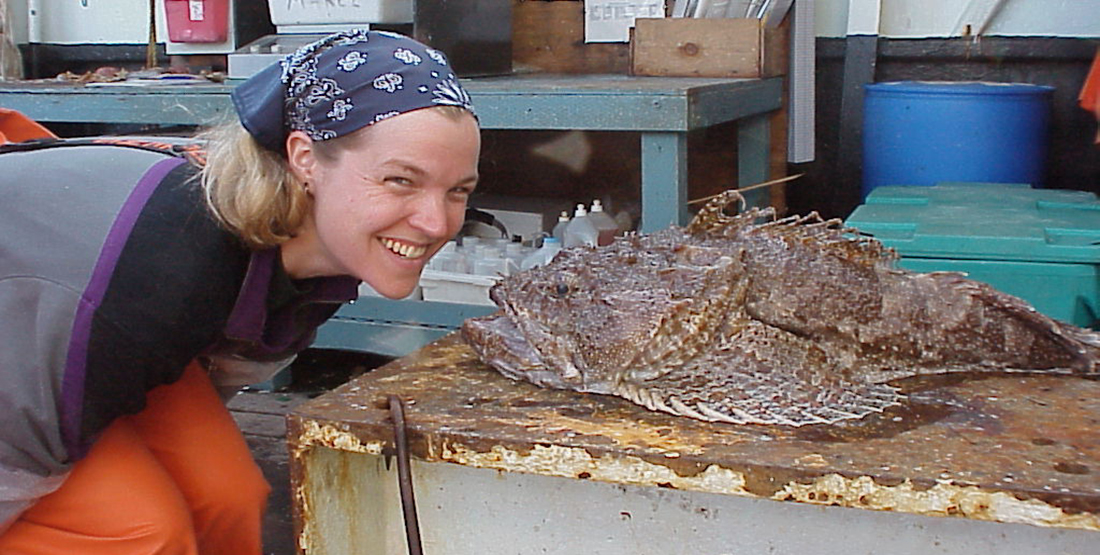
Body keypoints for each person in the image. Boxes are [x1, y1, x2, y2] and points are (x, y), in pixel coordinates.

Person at [0, 29, 480, 554]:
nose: (435, 223)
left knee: (229, 496)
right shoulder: (167, 269)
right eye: (400, 181)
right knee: (137, 532)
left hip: (85, 341)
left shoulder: (311, 266)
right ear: (305, 159)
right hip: (40, 341)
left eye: (458, 190)